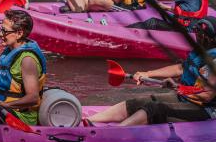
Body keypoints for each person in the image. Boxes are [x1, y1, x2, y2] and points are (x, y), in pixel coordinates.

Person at [86, 16, 216, 127]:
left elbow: (207, 95)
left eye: (200, 33)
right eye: (196, 32)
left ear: (210, 38)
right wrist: (148, 74)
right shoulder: (199, 51)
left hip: (204, 109)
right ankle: (89, 120)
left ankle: (113, 132)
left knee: (155, 108)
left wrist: (179, 88)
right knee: (140, 102)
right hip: (185, 98)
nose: (196, 35)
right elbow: (179, 68)